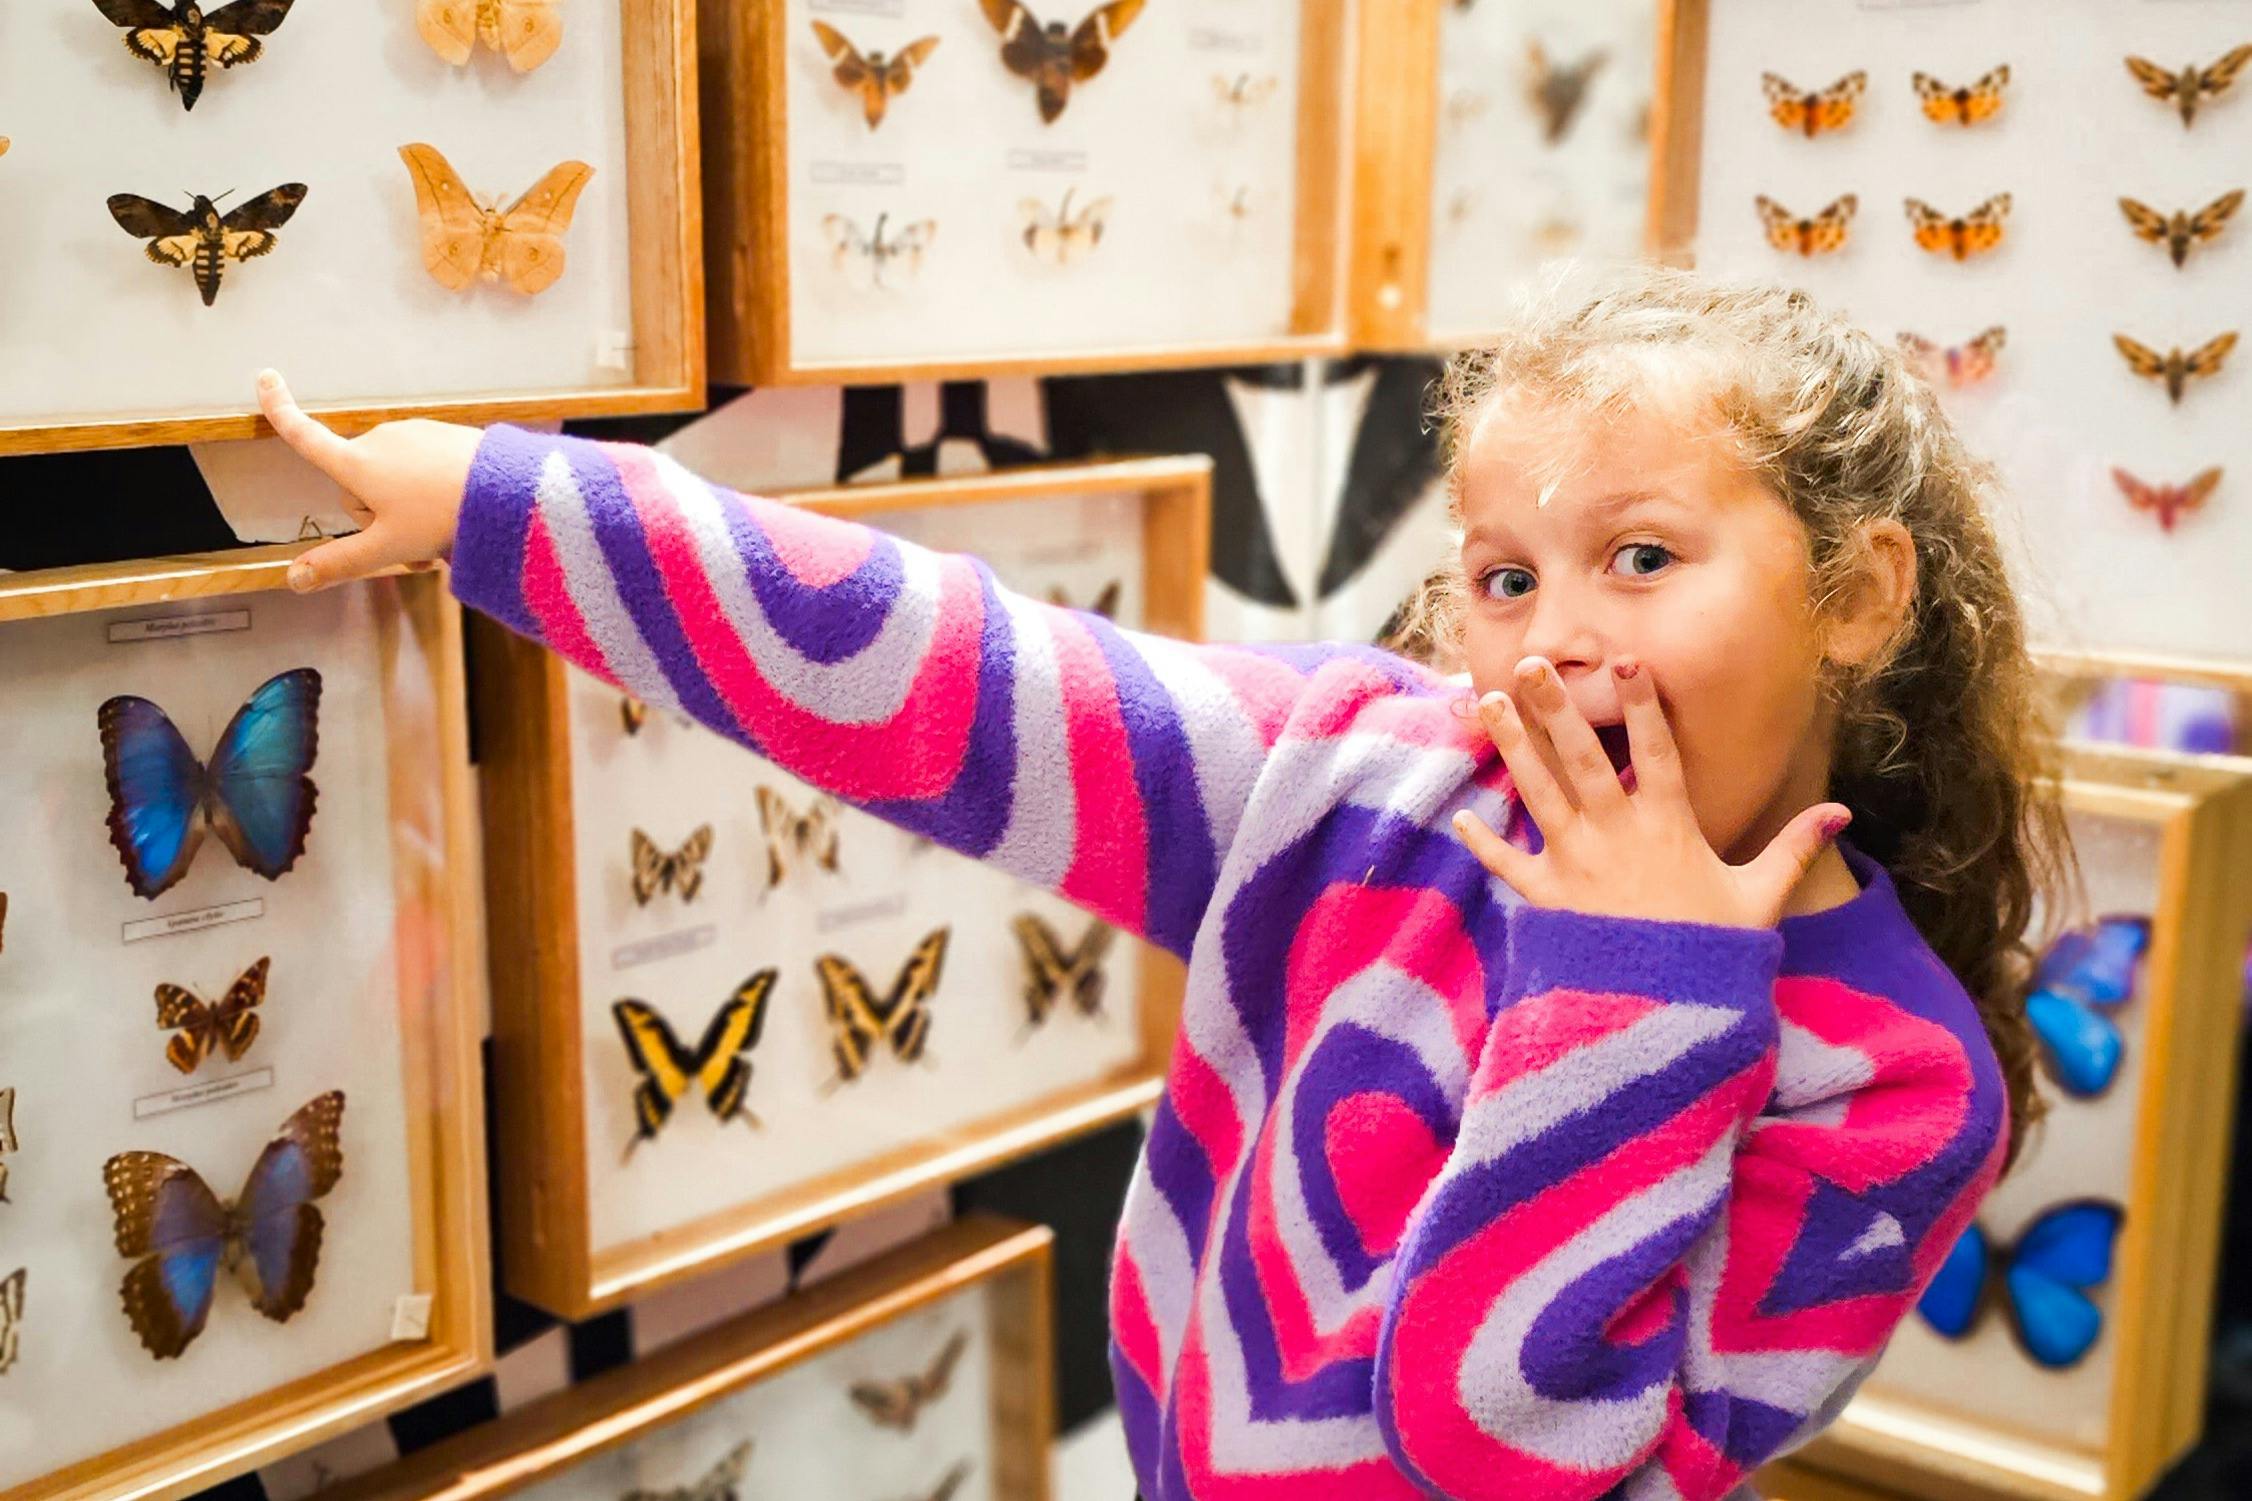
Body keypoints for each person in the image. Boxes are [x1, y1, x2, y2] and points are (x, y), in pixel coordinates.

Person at [255, 264, 2069, 1501]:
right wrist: (504, 503)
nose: (1558, 634)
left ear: (1857, 594)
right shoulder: (1367, 777)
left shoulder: (1896, 1088)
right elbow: (950, 679)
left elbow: (1495, 1448)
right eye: (1505, 576)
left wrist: (1641, 985)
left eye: (1644, 555)